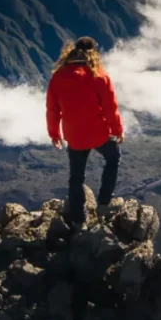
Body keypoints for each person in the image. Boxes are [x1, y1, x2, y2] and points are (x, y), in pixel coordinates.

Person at [46, 36, 124, 230]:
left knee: (76, 177)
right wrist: (117, 130)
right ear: (93, 52)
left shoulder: (58, 76)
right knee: (113, 158)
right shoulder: (99, 75)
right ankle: (105, 202)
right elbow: (110, 107)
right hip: (98, 133)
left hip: (74, 135)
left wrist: (54, 134)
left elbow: (52, 109)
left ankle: (77, 219)